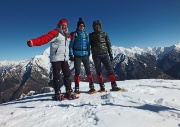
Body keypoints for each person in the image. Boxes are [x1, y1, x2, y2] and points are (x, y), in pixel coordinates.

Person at [27, 19, 76, 100]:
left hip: (64, 58)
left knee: (67, 75)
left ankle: (69, 91)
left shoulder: (67, 35)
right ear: (59, 26)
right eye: (62, 25)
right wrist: (33, 42)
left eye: (66, 25)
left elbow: (73, 35)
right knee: (56, 76)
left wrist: (77, 31)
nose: (64, 26)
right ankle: (57, 92)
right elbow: (44, 38)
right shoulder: (55, 32)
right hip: (56, 58)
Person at [89, 20, 123, 92]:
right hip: (96, 55)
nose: (97, 26)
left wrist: (110, 54)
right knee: (98, 71)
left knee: (110, 70)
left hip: (105, 54)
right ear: (93, 27)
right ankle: (102, 87)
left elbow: (108, 45)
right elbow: (87, 45)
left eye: (98, 25)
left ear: (100, 26)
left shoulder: (104, 34)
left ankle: (114, 85)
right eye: (96, 25)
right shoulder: (91, 35)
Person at [69, 18, 96, 94]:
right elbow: (71, 45)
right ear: (78, 26)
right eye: (80, 26)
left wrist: (88, 52)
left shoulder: (86, 34)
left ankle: (91, 86)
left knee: (88, 70)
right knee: (77, 71)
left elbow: (88, 44)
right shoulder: (75, 34)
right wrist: (71, 54)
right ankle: (77, 87)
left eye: (83, 26)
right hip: (77, 55)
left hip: (85, 55)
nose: (82, 27)